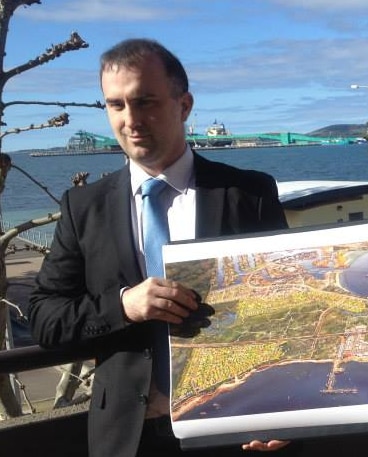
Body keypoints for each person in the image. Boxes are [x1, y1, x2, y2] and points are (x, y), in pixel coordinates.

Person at [28, 38, 295, 457]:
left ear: (184, 105)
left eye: (146, 101)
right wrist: (123, 306)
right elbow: (45, 317)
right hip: (125, 437)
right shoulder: (83, 206)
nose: (130, 119)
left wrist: (288, 406)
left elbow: (292, 306)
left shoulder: (248, 193)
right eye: (115, 105)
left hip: (233, 426)